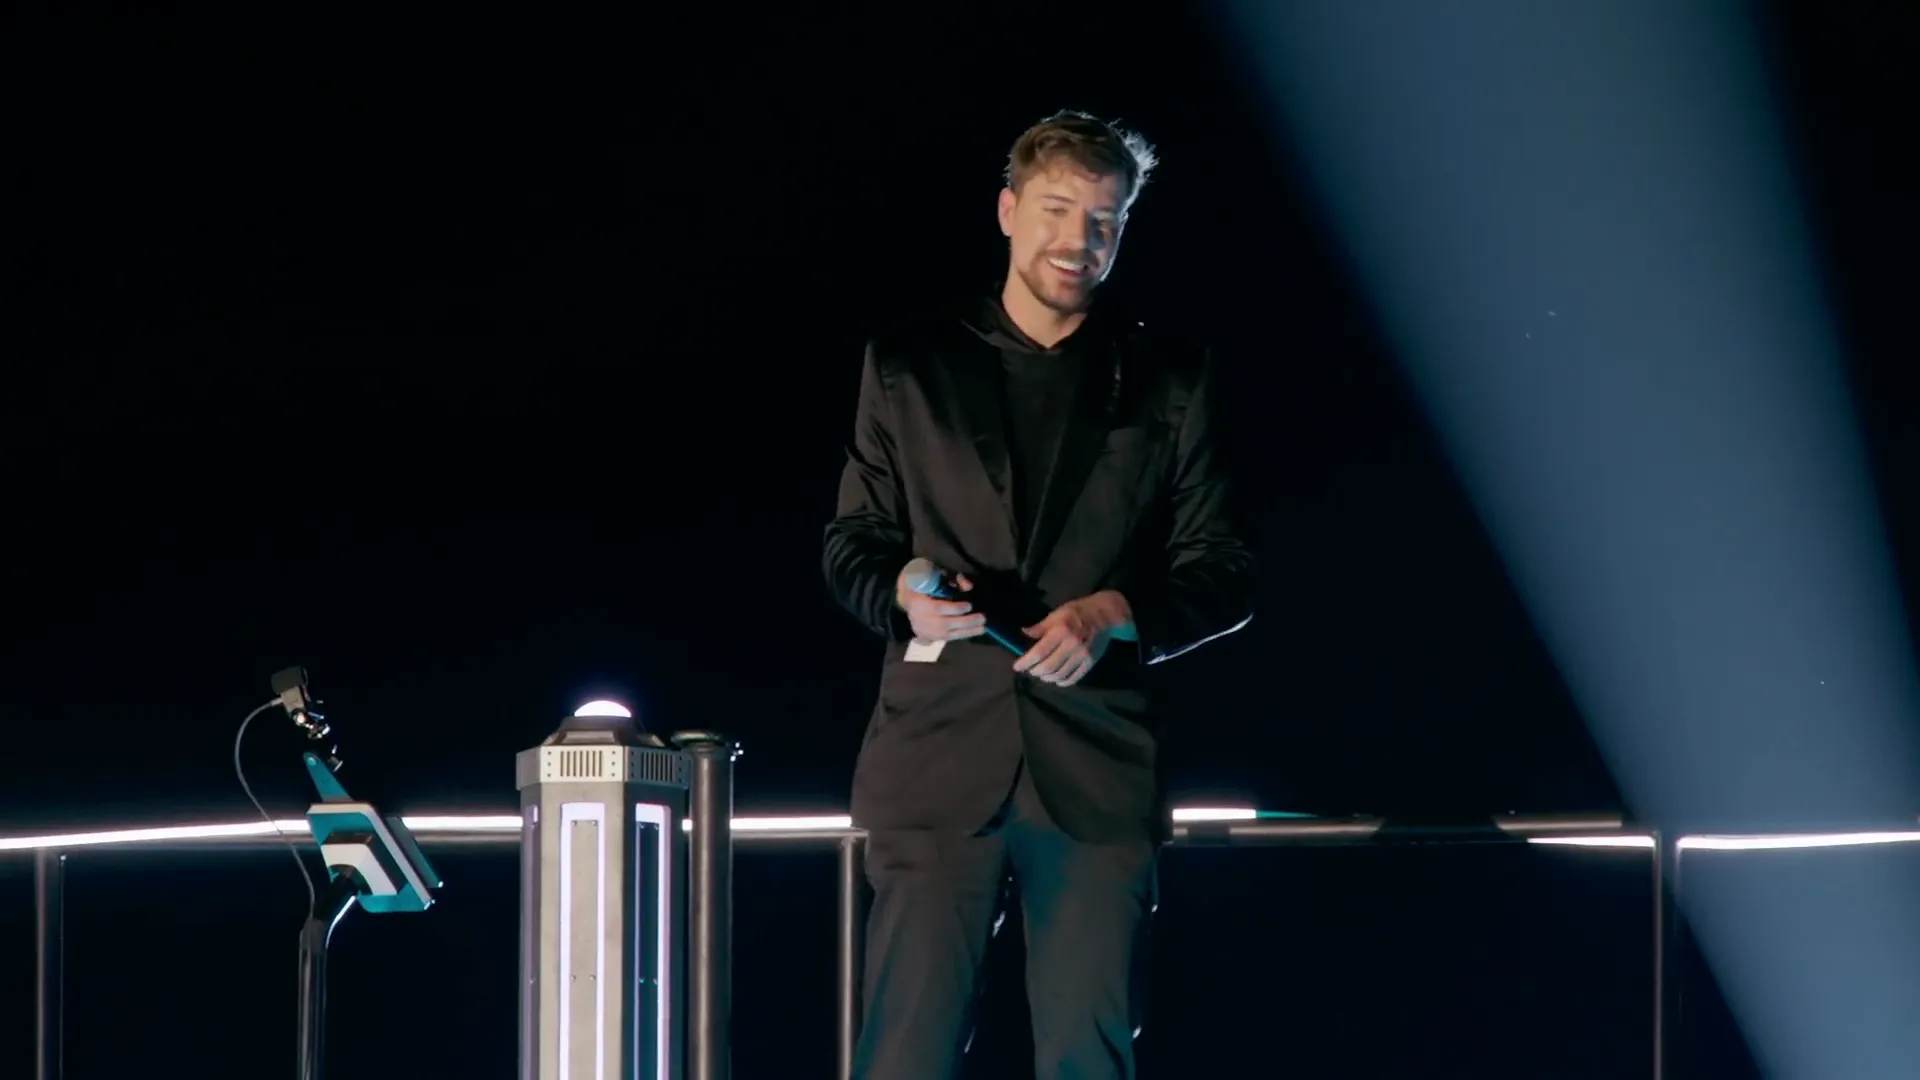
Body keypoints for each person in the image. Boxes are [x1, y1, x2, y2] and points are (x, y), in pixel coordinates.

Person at [822, 109, 1254, 1080]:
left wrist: (1115, 612)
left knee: (1088, 1060)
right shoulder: (909, 366)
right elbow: (853, 544)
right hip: (936, 758)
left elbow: (1225, 569)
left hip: (1099, 764)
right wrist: (904, 588)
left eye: (1105, 220)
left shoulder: (1171, 379)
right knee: (905, 1055)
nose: (1079, 239)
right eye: (1058, 209)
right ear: (1009, 210)